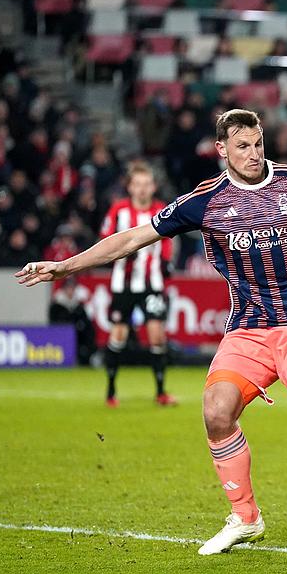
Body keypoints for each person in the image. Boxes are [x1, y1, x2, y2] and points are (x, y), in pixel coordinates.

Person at [17, 109, 287, 557]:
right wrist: (65, 266)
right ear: (222, 149)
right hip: (248, 330)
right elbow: (131, 239)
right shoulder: (206, 200)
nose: (254, 153)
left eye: (258, 144)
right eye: (243, 146)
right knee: (216, 412)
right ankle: (245, 518)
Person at [97, 161, 176, 407]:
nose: (142, 189)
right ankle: (111, 392)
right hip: (123, 284)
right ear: (130, 187)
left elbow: (168, 239)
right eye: (137, 184)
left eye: (146, 184)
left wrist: (166, 262)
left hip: (152, 284)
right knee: (118, 335)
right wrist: (119, 255)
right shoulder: (118, 210)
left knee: (156, 334)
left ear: (153, 187)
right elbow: (105, 239)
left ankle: (161, 392)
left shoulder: (161, 210)